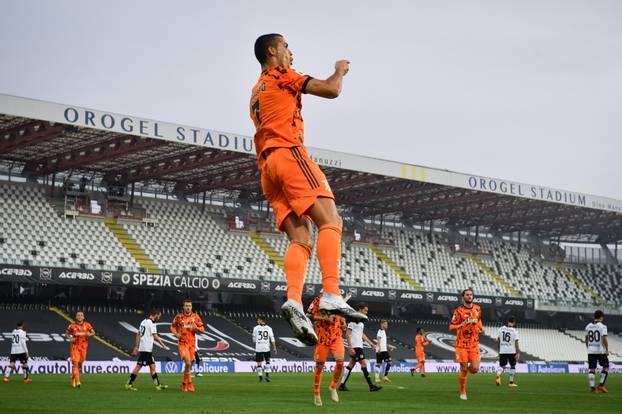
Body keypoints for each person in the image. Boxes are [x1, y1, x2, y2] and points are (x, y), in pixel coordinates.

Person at [250, 34, 367, 345]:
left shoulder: (255, 91)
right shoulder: (281, 75)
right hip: (289, 154)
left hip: (268, 168)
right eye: (287, 46)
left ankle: (294, 301)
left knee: (301, 238)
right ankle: (331, 292)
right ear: (272, 51)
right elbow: (331, 90)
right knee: (331, 221)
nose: (292, 51)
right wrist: (339, 69)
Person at [307, 294, 345, 406]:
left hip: (336, 336)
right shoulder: (318, 300)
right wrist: (324, 318)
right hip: (322, 339)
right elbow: (308, 315)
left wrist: (343, 323)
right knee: (319, 367)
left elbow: (342, 314)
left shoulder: (338, 298)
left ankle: (333, 387)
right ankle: (317, 394)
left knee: (340, 362)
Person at [449, 288, 484, 400]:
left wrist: (481, 329)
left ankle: (464, 372)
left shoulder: (478, 309)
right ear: (463, 297)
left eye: (471, 295)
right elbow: (451, 326)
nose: (469, 296)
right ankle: (462, 390)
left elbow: (478, 320)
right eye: (467, 295)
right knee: (464, 368)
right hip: (461, 345)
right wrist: (461, 325)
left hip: (473, 344)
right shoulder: (458, 311)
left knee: (474, 369)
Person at [338, 303, 382, 392]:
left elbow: (362, 334)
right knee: (363, 364)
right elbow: (347, 334)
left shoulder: (361, 322)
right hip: (355, 346)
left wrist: (370, 343)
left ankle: (342, 385)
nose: (366, 312)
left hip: (359, 345)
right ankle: (371, 386)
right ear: (360, 309)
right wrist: (350, 347)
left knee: (351, 364)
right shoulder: (353, 320)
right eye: (365, 310)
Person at [125, 309, 169, 391]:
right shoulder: (152, 323)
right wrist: (163, 345)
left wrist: (136, 346)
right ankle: (129, 384)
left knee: (147, 366)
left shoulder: (143, 321)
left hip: (143, 348)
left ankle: (157, 385)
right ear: (156, 315)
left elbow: (138, 334)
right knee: (145, 367)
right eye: (159, 316)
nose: (159, 318)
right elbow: (155, 336)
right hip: (147, 349)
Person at [170, 299, 205, 392]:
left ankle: (184, 382)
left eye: (189, 306)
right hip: (183, 343)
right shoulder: (179, 317)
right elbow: (172, 326)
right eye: (186, 306)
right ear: (183, 306)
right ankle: (189, 383)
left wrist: (196, 327)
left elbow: (202, 329)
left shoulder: (196, 317)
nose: (188, 307)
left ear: (191, 307)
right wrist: (176, 334)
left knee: (189, 363)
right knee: (188, 363)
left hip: (192, 344)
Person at [66, 310, 95, 388]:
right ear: (76, 317)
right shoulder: (72, 326)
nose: (80, 316)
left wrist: (89, 334)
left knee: (80, 365)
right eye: (78, 315)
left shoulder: (87, 325)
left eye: (81, 315)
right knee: (75, 363)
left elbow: (93, 332)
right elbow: (67, 334)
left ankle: (72, 377)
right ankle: (78, 382)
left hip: (84, 347)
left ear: (83, 317)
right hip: (75, 346)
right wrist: (70, 338)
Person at [585, 310, 609, 393]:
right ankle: (601, 385)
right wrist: (606, 349)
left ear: (594, 316)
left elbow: (586, 339)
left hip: (591, 350)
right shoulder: (602, 326)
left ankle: (592, 389)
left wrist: (588, 348)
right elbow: (605, 338)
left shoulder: (588, 326)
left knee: (592, 369)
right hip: (600, 350)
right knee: (606, 367)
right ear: (601, 317)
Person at [495, 317, 520, 387]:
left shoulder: (501, 329)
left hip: (502, 350)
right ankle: (511, 383)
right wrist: (517, 352)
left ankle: (498, 374)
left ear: (508, 321)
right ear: (514, 322)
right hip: (511, 351)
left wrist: (499, 349)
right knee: (512, 366)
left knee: (502, 366)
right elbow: (516, 342)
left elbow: (498, 340)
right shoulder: (514, 331)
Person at [252, 316, 277, 383]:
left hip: (259, 347)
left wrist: (256, 340)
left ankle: (260, 378)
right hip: (266, 347)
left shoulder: (255, 328)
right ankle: (267, 376)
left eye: (258, 320)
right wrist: (274, 348)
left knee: (259, 363)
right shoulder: (269, 328)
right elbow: (272, 338)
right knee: (268, 361)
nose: (257, 321)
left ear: (261, 320)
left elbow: (254, 339)